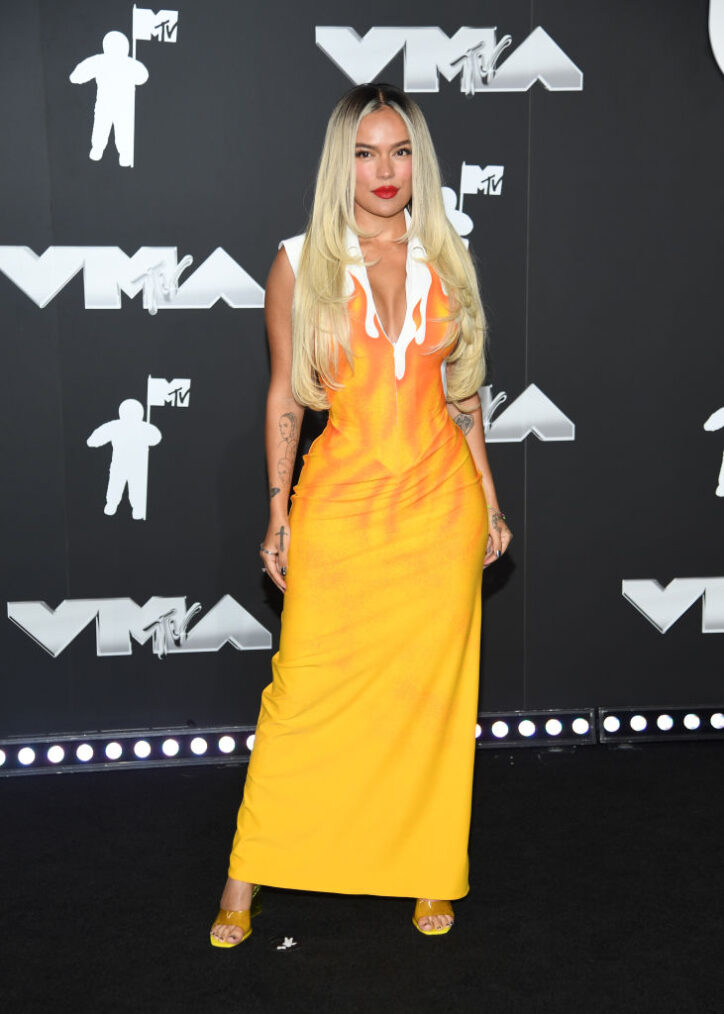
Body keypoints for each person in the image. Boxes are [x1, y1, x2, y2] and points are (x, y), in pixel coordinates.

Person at [210, 82, 512, 946]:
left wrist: (489, 498)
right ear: (340, 162)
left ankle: (427, 870)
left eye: (401, 151)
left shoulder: (445, 257)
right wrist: (278, 513)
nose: (385, 172)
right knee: (300, 693)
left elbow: (464, 394)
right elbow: (286, 397)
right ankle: (246, 878)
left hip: (439, 508)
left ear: (420, 161)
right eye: (365, 153)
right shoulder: (300, 260)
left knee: (432, 701)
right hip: (340, 507)